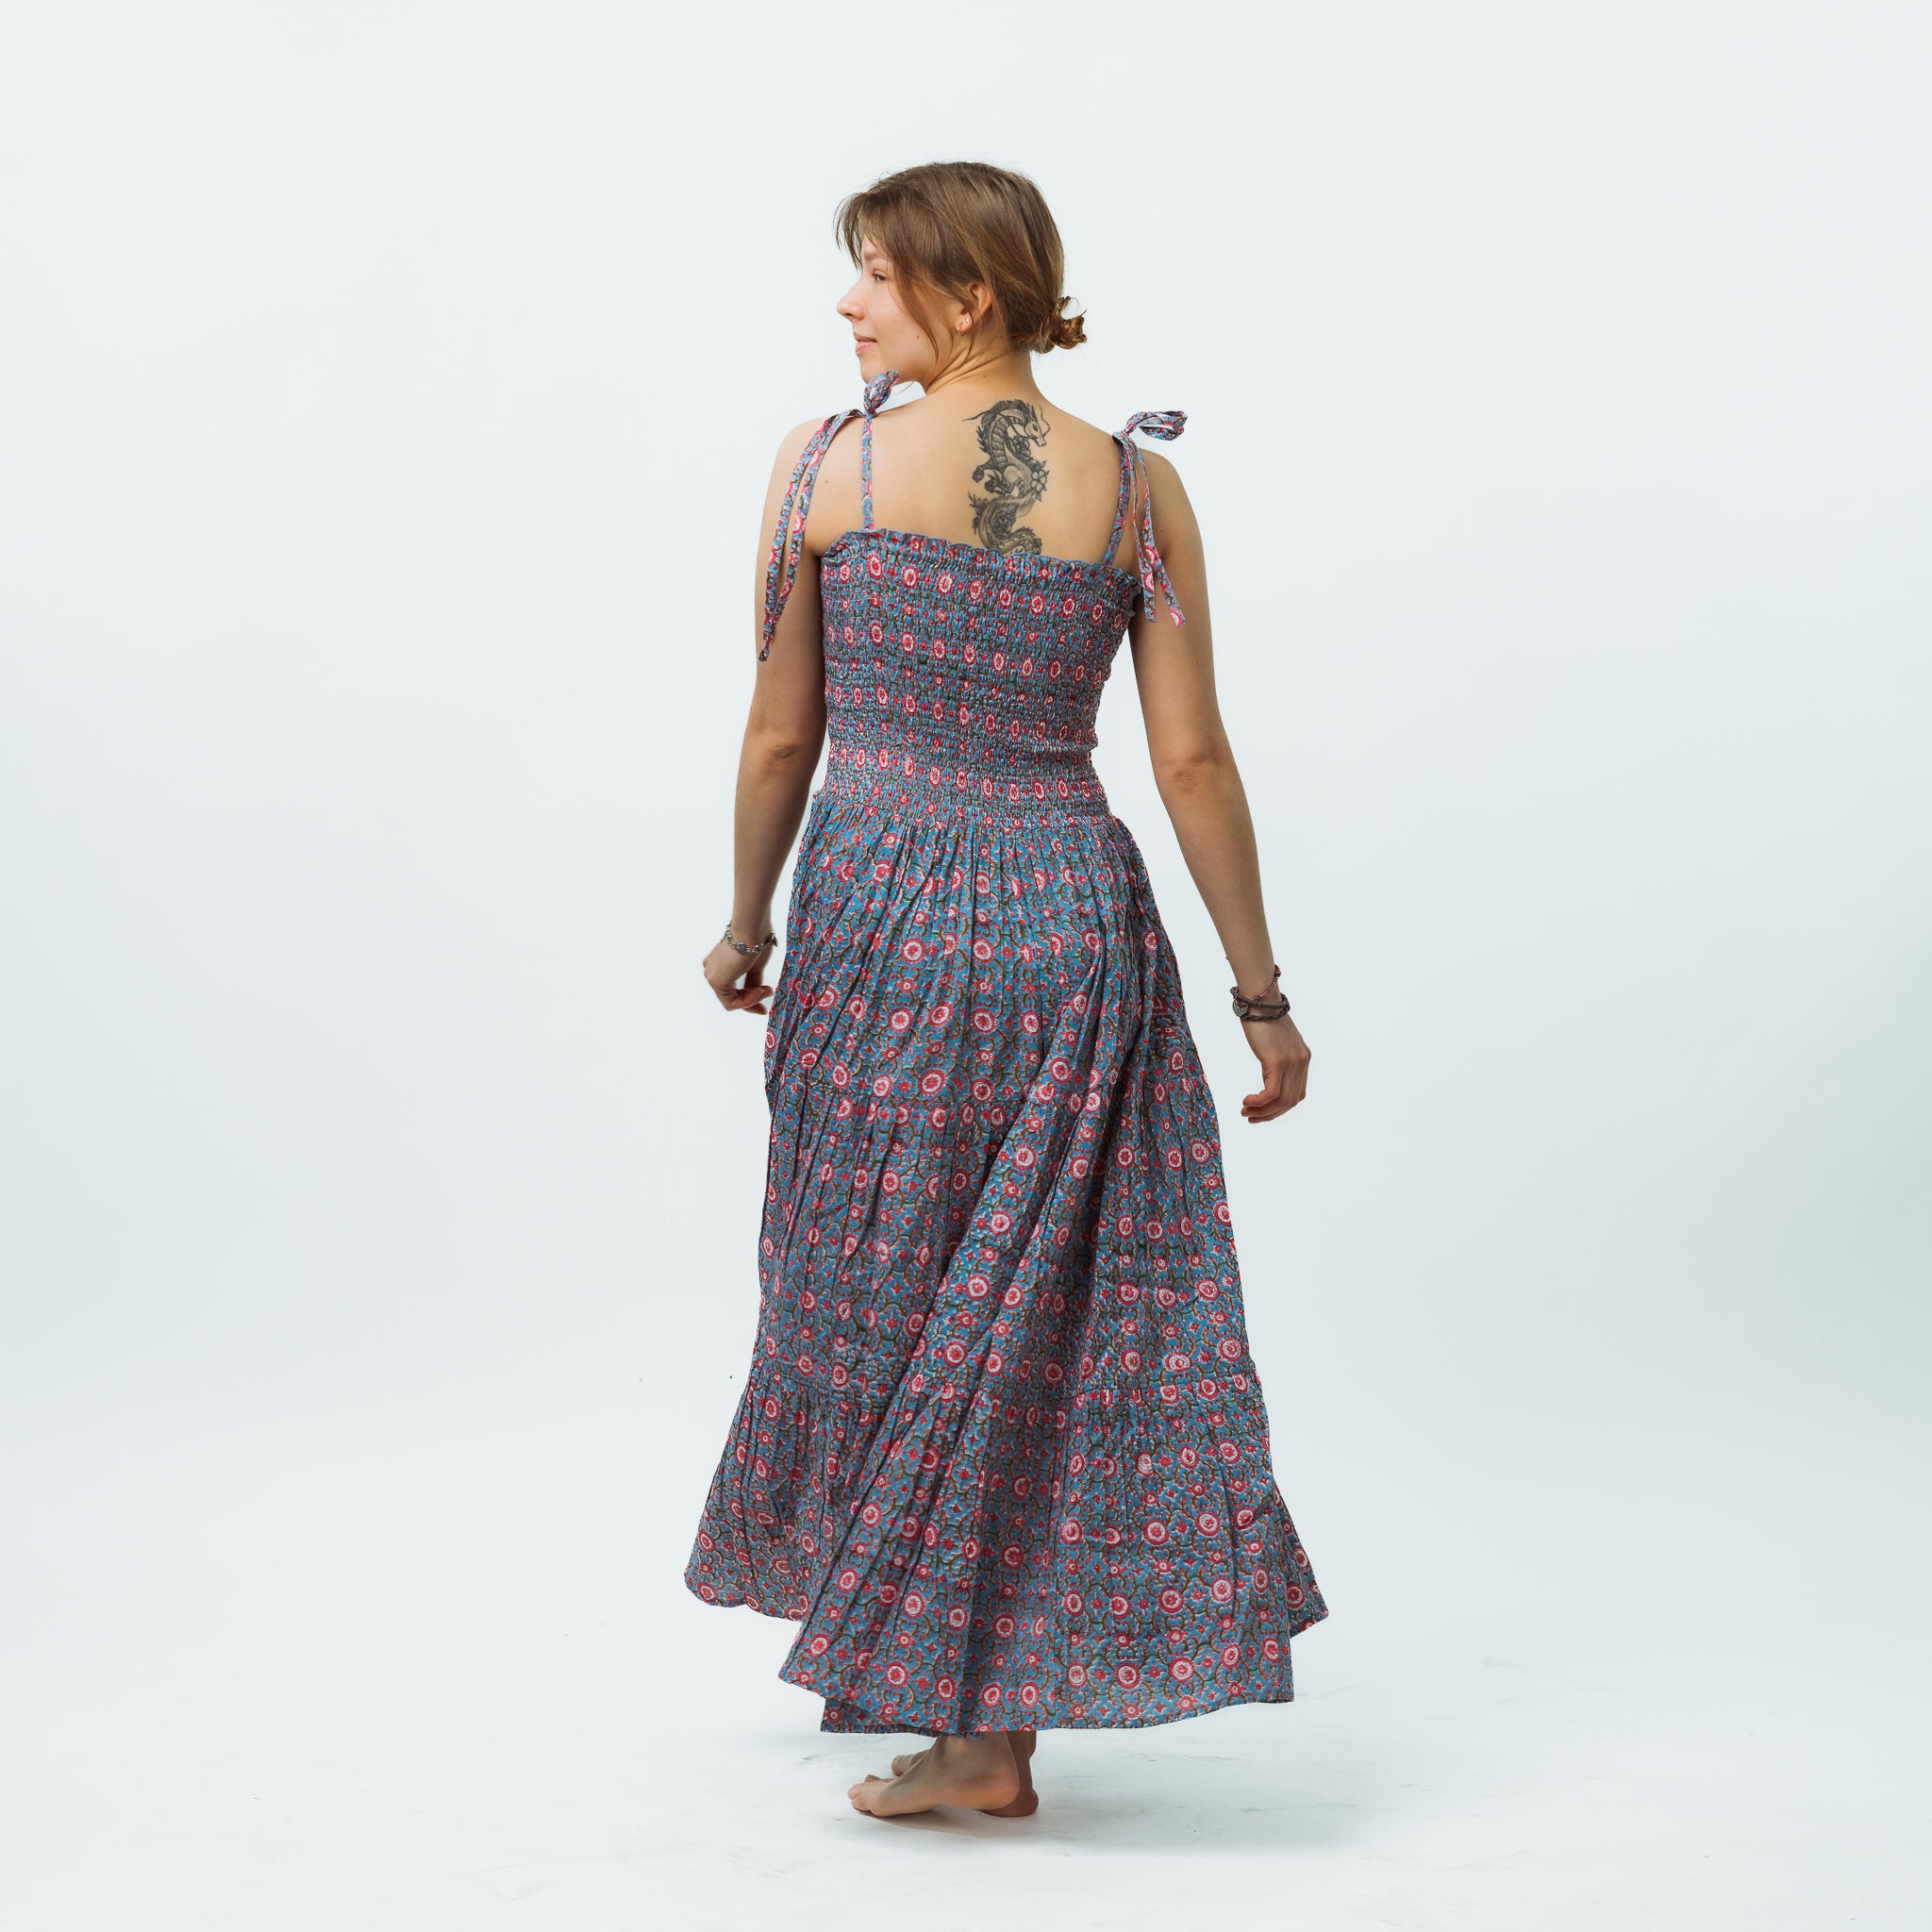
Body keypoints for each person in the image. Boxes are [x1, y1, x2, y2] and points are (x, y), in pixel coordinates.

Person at [686, 159, 1329, 1820]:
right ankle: (988, 1734)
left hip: (885, 923)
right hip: (1073, 928)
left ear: (966, 296)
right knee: (1049, 1319)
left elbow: (780, 734)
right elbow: (1189, 761)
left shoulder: (824, 473)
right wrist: (1260, 995)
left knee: (877, 1294)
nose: (848, 305)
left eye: (875, 280)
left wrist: (746, 918)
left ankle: (963, 1726)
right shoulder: (1136, 494)